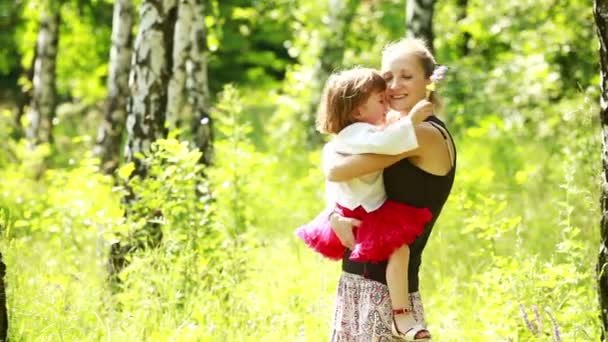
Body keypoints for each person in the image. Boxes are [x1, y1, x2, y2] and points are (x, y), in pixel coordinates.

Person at [326, 38, 457, 341]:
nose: (395, 85)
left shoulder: (420, 134)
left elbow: (336, 170)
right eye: (387, 78)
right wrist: (334, 214)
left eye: (407, 76)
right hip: (366, 280)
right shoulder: (392, 130)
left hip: (383, 292)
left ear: (428, 81)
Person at [295, 66, 434, 341]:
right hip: (365, 211)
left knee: (395, 253)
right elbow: (388, 142)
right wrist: (413, 121)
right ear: (358, 111)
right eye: (380, 101)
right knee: (399, 250)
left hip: (354, 208)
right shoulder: (359, 133)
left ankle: (398, 316)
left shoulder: (350, 135)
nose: (387, 105)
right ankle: (401, 315)